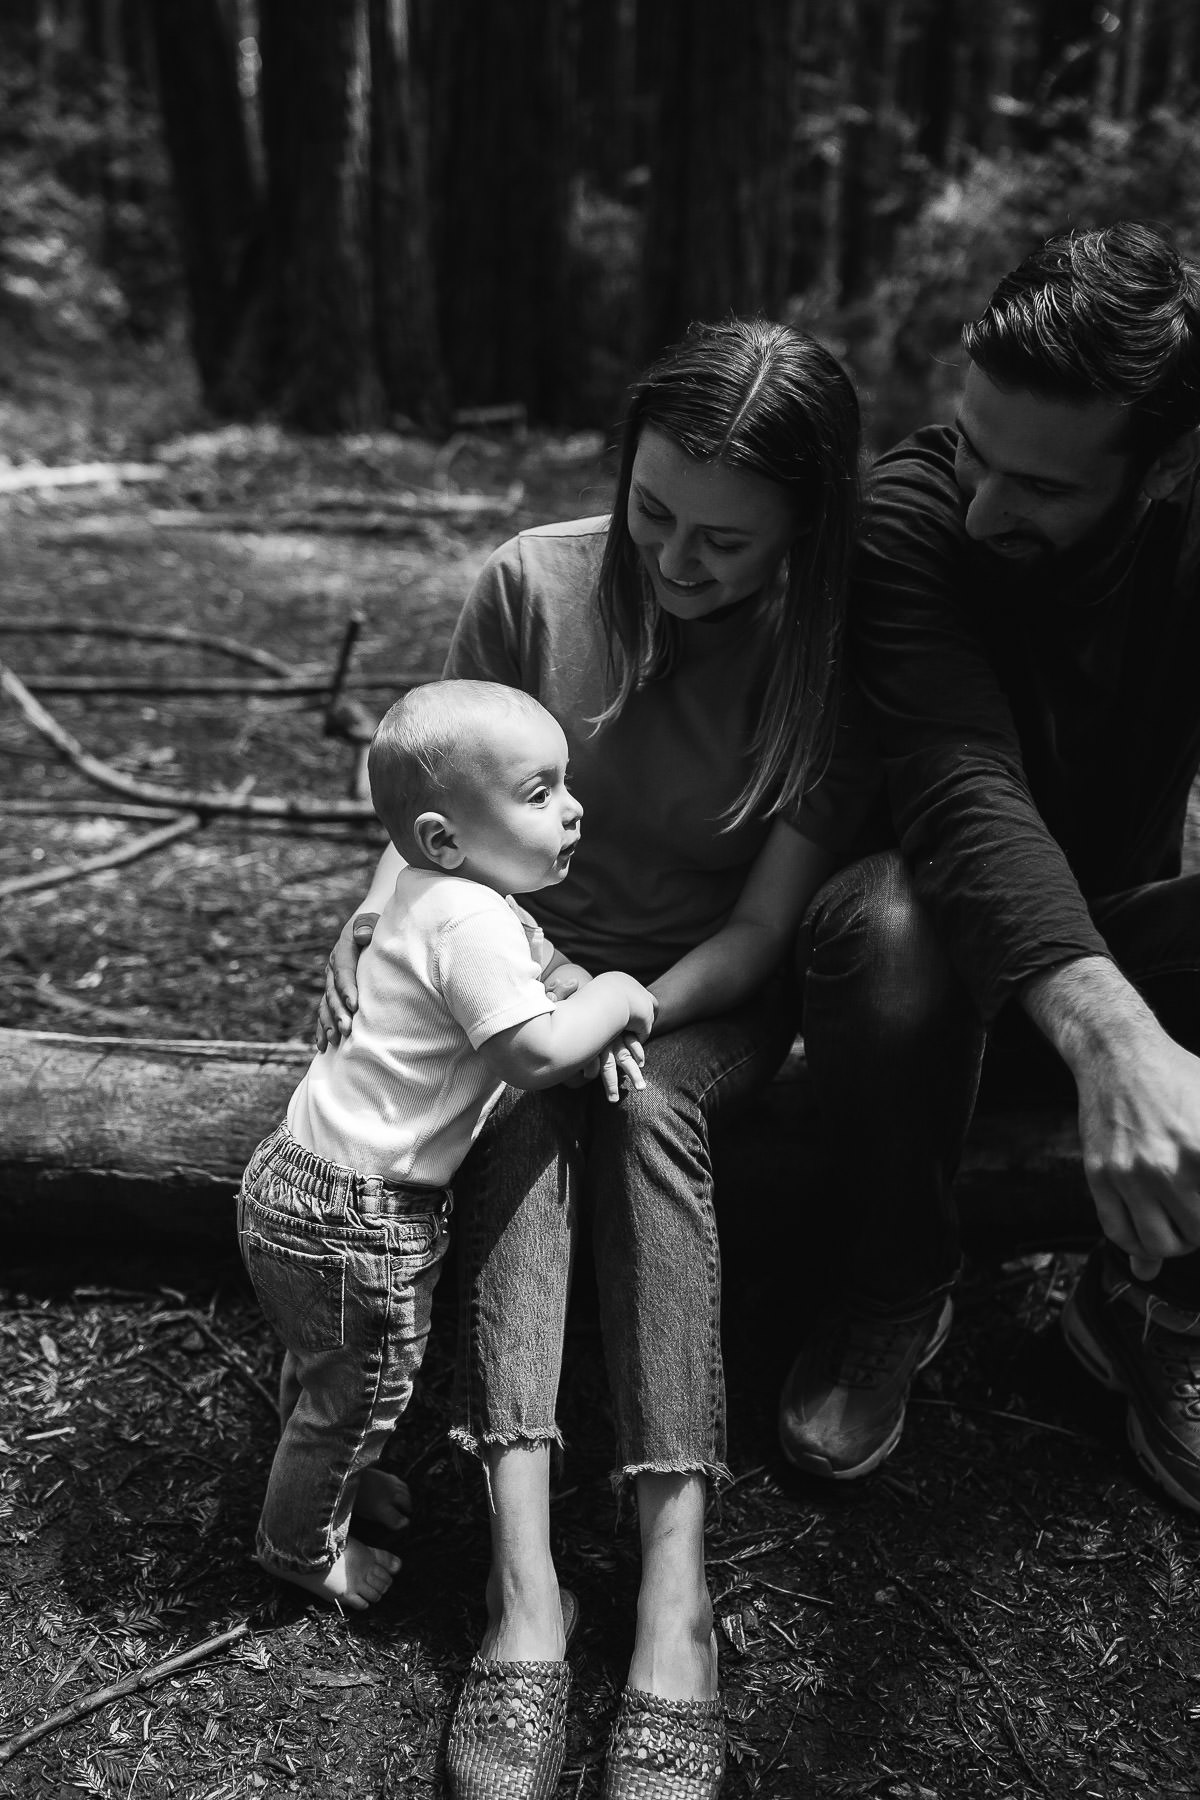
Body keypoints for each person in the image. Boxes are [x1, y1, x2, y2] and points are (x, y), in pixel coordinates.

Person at [319, 317, 872, 1798]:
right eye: (653, 512)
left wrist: (625, 1006)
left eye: (725, 540)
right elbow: (425, 816)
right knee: (511, 1120)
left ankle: (675, 1590)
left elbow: (766, 933)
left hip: (701, 994)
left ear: (805, 529)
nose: (677, 560)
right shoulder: (530, 584)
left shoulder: (833, 650)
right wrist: (389, 931)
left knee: (645, 1122)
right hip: (512, 969)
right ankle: (522, 1588)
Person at [780, 221, 1200, 1519]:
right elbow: (964, 791)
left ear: (1171, 464)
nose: (983, 504)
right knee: (889, 920)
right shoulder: (906, 524)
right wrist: (1117, 1037)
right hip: (905, 1004)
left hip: (1107, 957)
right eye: (973, 448)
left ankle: (1156, 1307)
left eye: (1042, 488)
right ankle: (892, 1289)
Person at [239, 679, 656, 1612]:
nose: (573, 807)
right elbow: (537, 1050)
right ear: (443, 837)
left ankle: (329, 1474)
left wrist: (584, 985)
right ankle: (297, 1547)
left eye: (565, 782)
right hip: (364, 1217)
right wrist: (622, 993)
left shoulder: (436, 895)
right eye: (539, 793)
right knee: (363, 1391)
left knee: (323, 1360)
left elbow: (548, 972)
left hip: (292, 1176)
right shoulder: (470, 921)